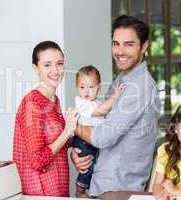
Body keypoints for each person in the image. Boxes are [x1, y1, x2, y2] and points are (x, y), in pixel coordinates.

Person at [71, 15, 160, 197]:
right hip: (103, 182)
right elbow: (100, 125)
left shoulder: (140, 86)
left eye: (128, 44)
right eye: (115, 43)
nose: (120, 51)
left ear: (144, 46)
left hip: (118, 187)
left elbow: (103, 137)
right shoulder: (123, 79)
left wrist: (71, 127)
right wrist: (77, 153)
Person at [13, 41, 78, 197]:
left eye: (59, 64)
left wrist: (76, 144)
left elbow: (56, 143)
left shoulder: (53, 100)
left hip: (57, 189)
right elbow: (38, 160)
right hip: (40, 193)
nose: (55, 70)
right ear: (36, 68)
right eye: (47, 65)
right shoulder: (32, 104)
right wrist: (67, 132)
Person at [72, 65, 124, 196]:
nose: (86, 91)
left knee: (95, 164)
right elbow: (100, 112)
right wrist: (114, 97)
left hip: (93, 140)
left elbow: (105, 116)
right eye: (82, 87)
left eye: (91, 87)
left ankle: (88, 188)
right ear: (77, 88)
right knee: (86, 166)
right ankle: (80, 189)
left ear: (98, 88)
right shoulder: (81, 102)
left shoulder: (96, 102)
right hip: (83, 141)